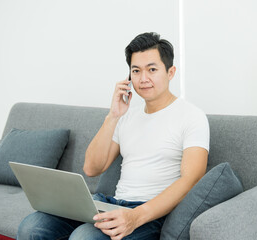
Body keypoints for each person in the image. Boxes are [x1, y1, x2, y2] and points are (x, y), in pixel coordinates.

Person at [17, 32, 209, 240]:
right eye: (136, 71)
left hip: (149, 214)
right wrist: (113, 116)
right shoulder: (127, 116)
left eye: (152, 70)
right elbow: (92, 168)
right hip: (111, 204)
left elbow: (192, 179)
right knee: (31, 227)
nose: (143, 79)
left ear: (170, 72)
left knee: (84, 238)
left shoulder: (192, 116)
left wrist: (135, 217)